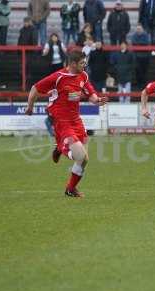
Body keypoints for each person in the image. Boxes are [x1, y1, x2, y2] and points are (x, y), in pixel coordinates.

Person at [25, 50, 108, 197]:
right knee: (80, 156)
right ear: (73, 64)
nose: (85, 65)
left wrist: (98, 100)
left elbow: (91, 94)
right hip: (60, 120)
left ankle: (70, 189)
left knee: (84, 160)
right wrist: (30, 107)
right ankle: (61, 148)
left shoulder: (83, 75)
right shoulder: (58, 77)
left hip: (76, 119)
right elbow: (34, 89)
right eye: (82, 63)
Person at [131, 24, 150, 89]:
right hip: (137, 56)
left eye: (140, 29)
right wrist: (141, 44)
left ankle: (143, 85)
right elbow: (133, 42)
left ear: (142, 29)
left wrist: (138, 44)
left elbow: (146, 43)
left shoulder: (146, 35)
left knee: (144, 71)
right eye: (137, 29)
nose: (138, 30)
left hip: (145, 57)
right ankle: (139, 84)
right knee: (137, 71)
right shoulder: (134, 35)